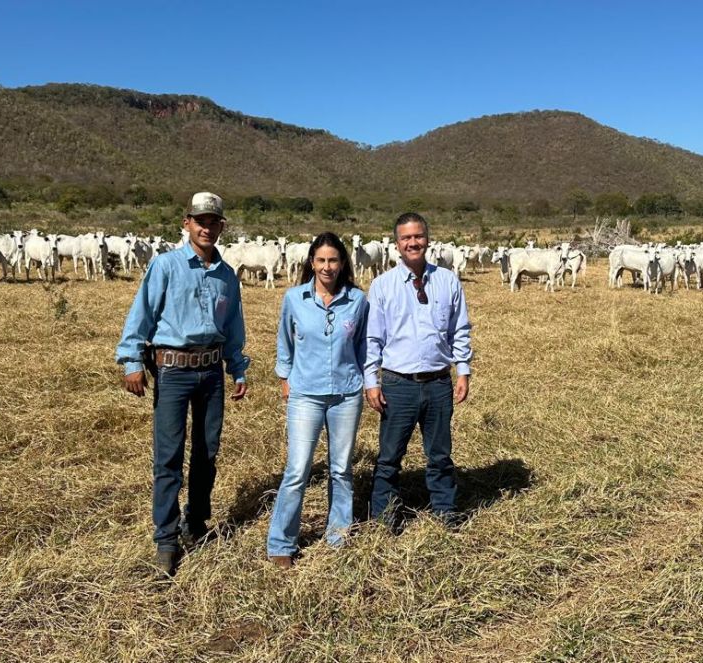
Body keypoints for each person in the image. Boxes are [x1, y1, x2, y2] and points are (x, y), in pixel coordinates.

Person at [116, 191, 250, 576]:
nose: (207, 228)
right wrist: (131, 360)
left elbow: (232, 328)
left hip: (211, 372)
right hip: (173, 371)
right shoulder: (166, 266)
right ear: (186, 223)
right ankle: (166, 538)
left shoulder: (227, 276)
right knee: (169, 456)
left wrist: (237, 367)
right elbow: (141, 314)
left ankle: (197, 522)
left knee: (207, 452)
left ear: (221, 227)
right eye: (200, 221)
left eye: (214, 222)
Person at [365, 212, 473, 528]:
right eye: (406, 238)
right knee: (389, 456)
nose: (413, 243)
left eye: (418, 236)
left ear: (427, 239)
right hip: (398, 383)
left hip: (439, 382)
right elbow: (373, 337)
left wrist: (462, 370)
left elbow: (460, 329)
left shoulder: (448, 280)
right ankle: (385, 516)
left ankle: (445, 510)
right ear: (396, 244)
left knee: (440, 454)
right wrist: (371, 381)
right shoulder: (383, 286)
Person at [266, 232, 368, 568]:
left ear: (342, 264)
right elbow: (285, 341)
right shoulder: (294, 298)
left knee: (341, 469)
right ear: (312, 262)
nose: (327, 267)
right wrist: (285, 378)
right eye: (321, 260)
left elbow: (363, 349)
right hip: (305, 393)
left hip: (346, 394)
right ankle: (281, 543)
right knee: (297, 469)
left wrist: (368, 383)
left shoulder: (357, 300)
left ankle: (338, 536)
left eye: (333, 260)